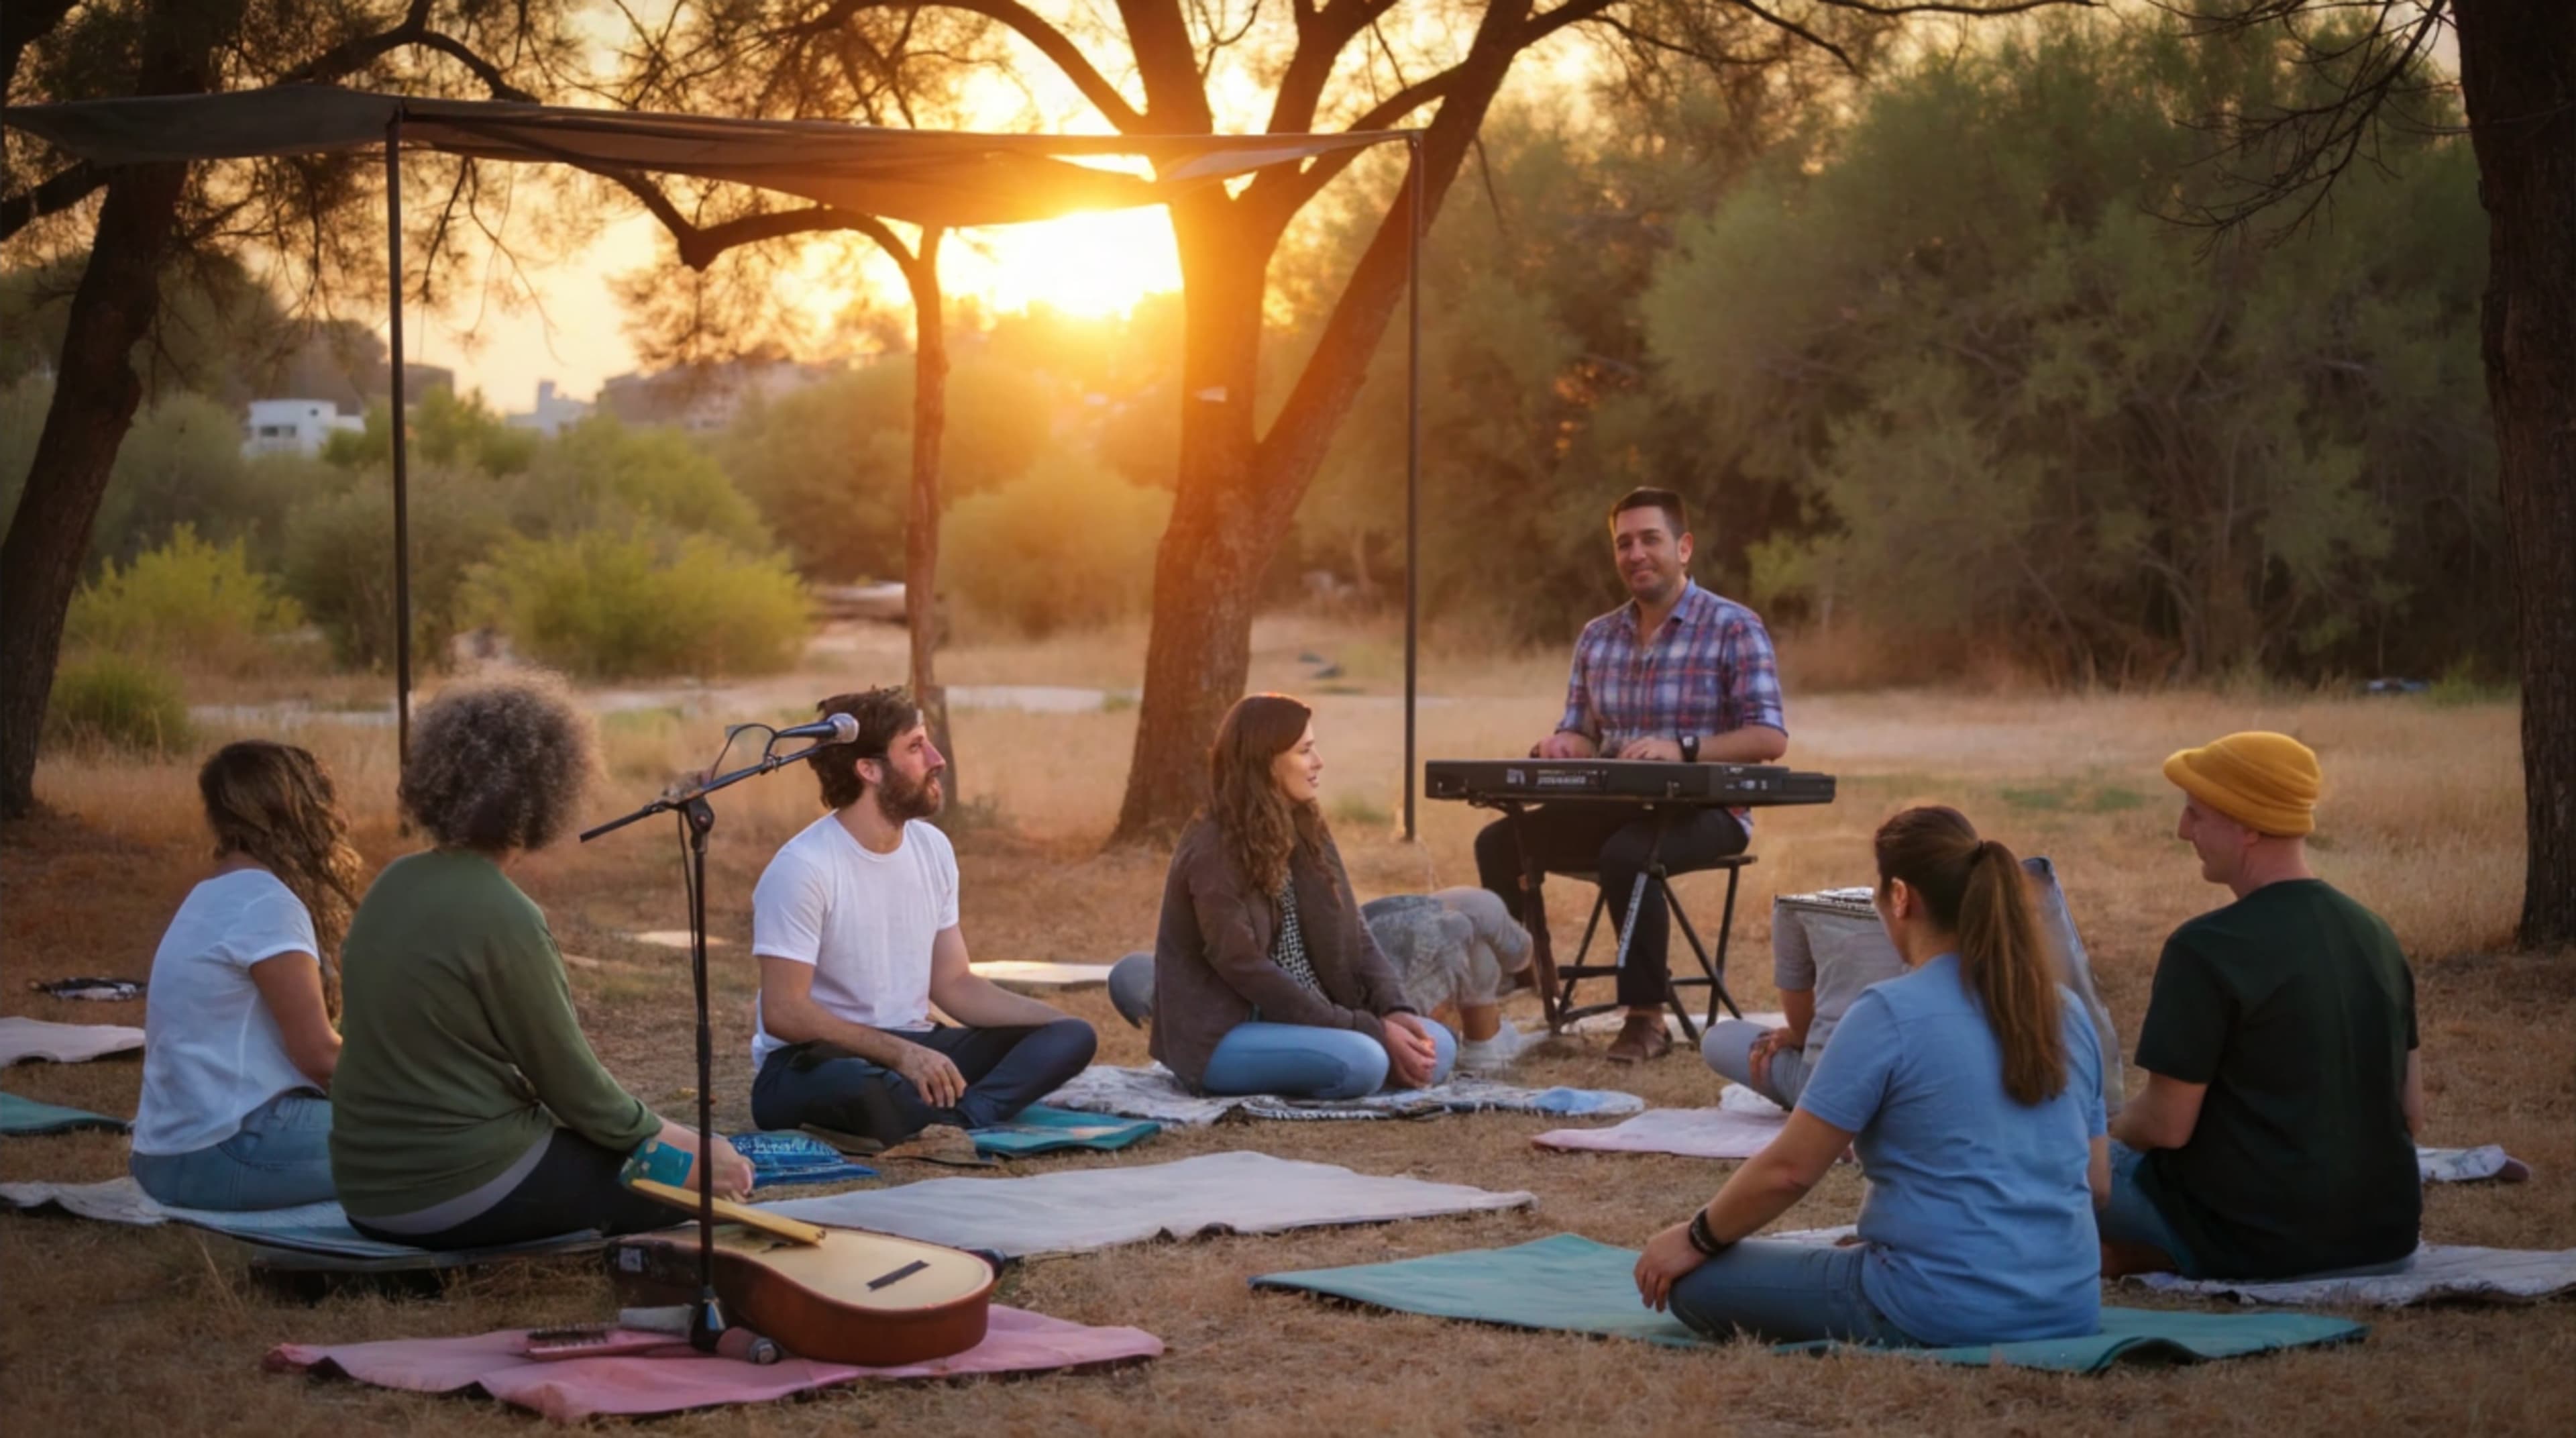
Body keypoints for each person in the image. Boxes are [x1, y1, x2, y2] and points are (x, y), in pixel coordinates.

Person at [1633, 807, 2108, 1347]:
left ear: (1900, 897)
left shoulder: (1890, 1010)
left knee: (1694, 1282)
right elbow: (2096, 1183)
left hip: (1929, 1307)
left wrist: (1695, 1237)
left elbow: (1789, 1170)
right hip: (2069, 1306)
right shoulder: (2065, 1010)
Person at [331, 676, 750, 1249]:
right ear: (548, 789)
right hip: (454, 1191)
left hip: (366, 1194)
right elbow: (575, 1089)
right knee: (704, 1182)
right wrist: (688, 1148)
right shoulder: (504, 912)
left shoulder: (392, 882)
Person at [1473, 487, 1788, 1062]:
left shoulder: (1733, 627)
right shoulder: (1598, 635)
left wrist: (1684, 750)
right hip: (1613, 805)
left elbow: (1769, 737)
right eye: (1624, 543)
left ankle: (1647, 1018)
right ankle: (1524, 979)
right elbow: (1580, 729)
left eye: (1651, 539)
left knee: (1628, 854)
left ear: (1684, 547)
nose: (1636, 553)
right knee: (1500, 842)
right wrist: (1563, 743)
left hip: (1708, 813)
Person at [2099, 731, 2422, 1280]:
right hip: (2385, 1238)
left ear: (2249, 826)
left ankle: (2157, 1250)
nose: (2182, 831)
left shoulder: (2205, 948)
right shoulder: (2376, 934)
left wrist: (2104, 1131)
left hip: (2253, 1242)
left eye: (2196, 814)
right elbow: (2411, 1111)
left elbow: (2166, 1125)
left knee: (2047, 1166)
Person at [749, 688, 1096, 1145]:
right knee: (866, 1090)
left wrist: (1049, 1025)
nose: (937, 758)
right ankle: (946, 1111)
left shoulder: (932, 848)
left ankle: (961, 1118)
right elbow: (784, 1012)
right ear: (868, 768)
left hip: (916, 1045)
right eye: (915, 746)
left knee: (1072, 1036)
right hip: (817, 1060)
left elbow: (953, 982)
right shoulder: (804, 868)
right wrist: (899, 1054)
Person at [1146, 694, 1456, 1098]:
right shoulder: (1214, 843)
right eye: (1305, 751)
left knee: (1439, 1046)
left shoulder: (1306, 823)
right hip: (1229, 1030)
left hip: (1316, 1014)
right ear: (1265, 760)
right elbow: (1241, 964)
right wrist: (1370, 1030)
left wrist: (1395, 1009)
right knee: (1366, 1061)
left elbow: (1356, 934)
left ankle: (1353, 1054)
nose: (1319, 762)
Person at [127, 741, 360, 1211]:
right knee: (429, 1142)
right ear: (293, 808)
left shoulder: (211, 894)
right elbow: (319, 1056)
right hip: (224, 1149)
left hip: (165, 1156)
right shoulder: (266, 902)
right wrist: (415, 1086)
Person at [1698, 888, 1903, 1110]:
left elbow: (1801, 1023)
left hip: (1833, 1089)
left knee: (1718, 1038)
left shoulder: (1801, 904)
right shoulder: (1936, 913)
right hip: (1926, 1083)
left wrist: (1801, 1035)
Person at [1360, 888, 1536, 1072]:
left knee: (1472, 918)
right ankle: (1484, 1043)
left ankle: (1483, 1044)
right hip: (1372, 1005)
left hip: (1368, 944)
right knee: (1480, 910)